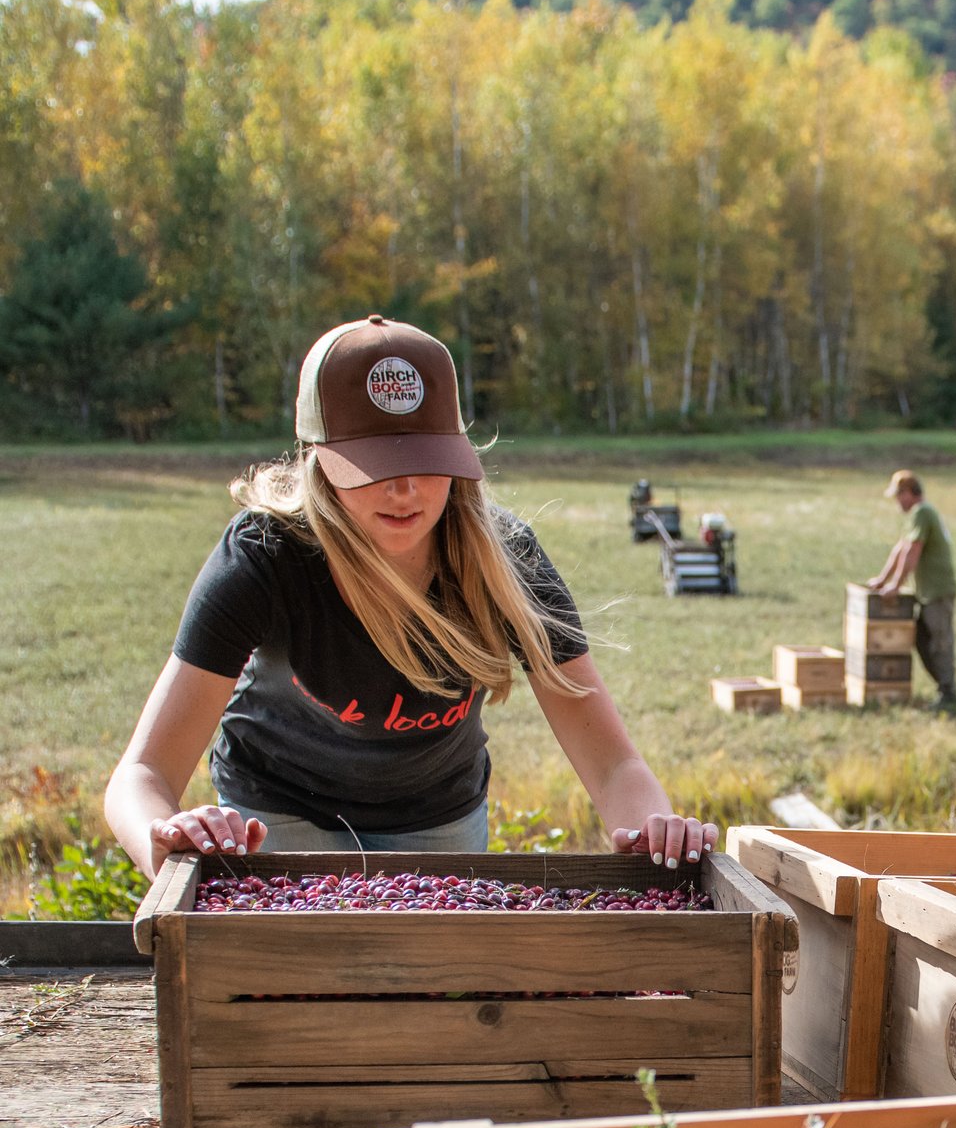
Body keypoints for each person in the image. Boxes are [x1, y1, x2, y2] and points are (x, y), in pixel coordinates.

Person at [105, 315, 717, 876]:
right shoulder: (264, 557)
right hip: (278, 818)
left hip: (437, 822)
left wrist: (651, 835)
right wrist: (162, 837)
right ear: (318, 462)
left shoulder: (505, 559)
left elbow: (613, 766)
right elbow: (143, 774)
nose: (404, 490)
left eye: (426, 460)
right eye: (371, 464)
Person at [863, 468, 956, 705]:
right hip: (926, 591)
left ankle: (948, 693)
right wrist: (883, 579)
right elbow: (901, 548)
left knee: (939, 642)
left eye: (898, 495)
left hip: (937, 590)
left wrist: (896, 585)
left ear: (909, 492)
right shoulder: (916, 516)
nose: (897, 501)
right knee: (921, 639)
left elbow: (912, 550)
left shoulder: (923, 512)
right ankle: (943, 686)